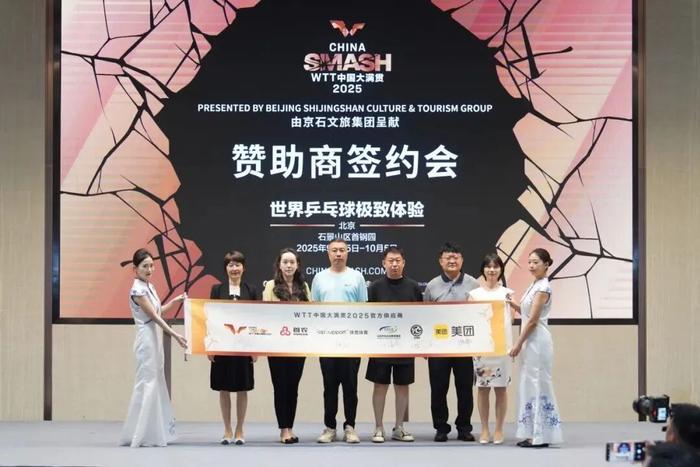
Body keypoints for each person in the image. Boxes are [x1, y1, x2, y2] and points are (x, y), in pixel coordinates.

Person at [120, 248, 187, 448]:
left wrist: (174, 301)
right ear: (135, 268)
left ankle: (154, 433)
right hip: (146, 339)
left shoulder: (149, 286)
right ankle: (140, 435)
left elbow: (158, 310)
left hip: (155, 337)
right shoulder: (137, 290)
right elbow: (154, 317)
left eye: (151, 265)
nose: (149, 269)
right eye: (144, 266)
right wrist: (175, 335)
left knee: (155, 381)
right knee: (147, 383)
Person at [312, 238, 368, 444]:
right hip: (327, 342)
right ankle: (330, 427)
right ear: (328, 253)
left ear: (347, 253)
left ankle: (350, 427)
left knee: (350, 387)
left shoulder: (357, 277)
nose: (338, 254)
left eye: (342, 250)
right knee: (330, 387)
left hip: (351, 342)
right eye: (334, 250)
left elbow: (364, 309)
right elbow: (314, 310)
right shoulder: (319, 278)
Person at [423, 242, 480, 442]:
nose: (452, 261)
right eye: (448, 257)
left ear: (462, 260)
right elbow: (424, 317)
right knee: (438, 389)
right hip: (438, 347)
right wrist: (425, 346)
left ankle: (464, 427)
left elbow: (480, 315)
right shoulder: (432, 285)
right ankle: (441, 427)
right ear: (441, 261)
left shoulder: (474, 284)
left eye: (456, 257)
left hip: (464, 346)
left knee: (465, 389)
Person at [366, 247, 423, 443]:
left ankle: (399, 427)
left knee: (402, 387)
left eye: (398, 260)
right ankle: (378, 427)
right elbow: (368, 317)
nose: (394, 264)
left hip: (405, 346)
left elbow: (420, 317)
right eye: (391, 261)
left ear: (403, 263)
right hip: (380, 346)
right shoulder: (374, 287)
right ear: (384, 263)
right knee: (380, 386)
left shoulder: (413, 287)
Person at [508, 248, 563, 447]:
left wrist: (517, 344)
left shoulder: (543, 288)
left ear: (546, 264)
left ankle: (540, 436)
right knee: (529, 383)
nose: (531, 266)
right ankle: (532, 433)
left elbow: (532, 321)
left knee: (538, 383)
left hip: (537, 340)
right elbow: (526, 313)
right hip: (530, 340)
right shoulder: (534, 285)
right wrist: (512, 304)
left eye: (536, 262)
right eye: (530, 262)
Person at [208, 251, 259, 445]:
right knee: (224, 388)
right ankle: (227, 429)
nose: (234, 268)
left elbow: (256, 320)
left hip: (244, 346)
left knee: (242, 389)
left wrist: (255, 348)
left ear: (243, 268)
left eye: (238, 264)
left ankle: (240, 429)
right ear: (226, 268)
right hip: (222, 346)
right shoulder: (217, 289)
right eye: (230, 265)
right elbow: (210, 318)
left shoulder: (251, 290)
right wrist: (210, 347)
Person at [262, 248, 311, 444]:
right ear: (279, 265)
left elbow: (310, 313)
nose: (289, 265)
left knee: (293, 387)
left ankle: (290, 427)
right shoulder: (271, 286)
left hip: (298, 345)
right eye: (285, 262)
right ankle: (283, 430)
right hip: (277, 345)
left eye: (292, 262)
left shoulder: (304, 286)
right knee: (280, 387)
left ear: (297, 265)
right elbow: (265, 313)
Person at [467, 252, 513, 445]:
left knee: (501, 389)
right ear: (483, 270)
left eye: (495, 266)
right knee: (483, 389)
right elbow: (470, 320)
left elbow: (511, 320)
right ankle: (485, 429)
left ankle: (499, 429)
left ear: (501, 269)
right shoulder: (474, 294)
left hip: (503, 348)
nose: (492, 270)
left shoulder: (508, 293)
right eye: (488, 266)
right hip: (482, 349)